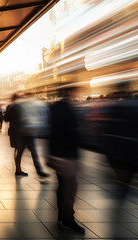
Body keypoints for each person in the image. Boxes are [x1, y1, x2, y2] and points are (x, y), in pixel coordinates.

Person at [48, 87, 85, 233]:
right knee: (68, 188)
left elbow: (51, 131)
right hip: (66, 155)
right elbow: (71, 132)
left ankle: (62, 215)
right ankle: (67, 219)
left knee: (63, 186)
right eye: (76, 92)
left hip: (58, 153)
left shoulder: (55, 108)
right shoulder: (67, 109)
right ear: (69, 93)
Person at [4, 93, 50, 177]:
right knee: (31, 151)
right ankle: (36, 171)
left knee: (21, 152)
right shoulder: (18, 106)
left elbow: (6, 118)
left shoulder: (13, 106)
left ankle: (20, 170)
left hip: (20, 132)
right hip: (24, 132)